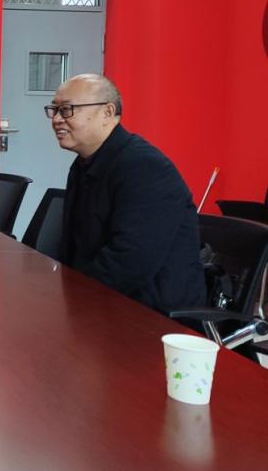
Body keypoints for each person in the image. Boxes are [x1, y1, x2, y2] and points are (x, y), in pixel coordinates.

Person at [47, 73, 205, 316]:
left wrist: (75, 299)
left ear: (107, 112)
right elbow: (73, 246)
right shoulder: (84, 164)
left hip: (150, 316)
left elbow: (131, 262)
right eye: (54, 110)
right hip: (99, 302)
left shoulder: (144, 167)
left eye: (67, 110)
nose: (57, 119)